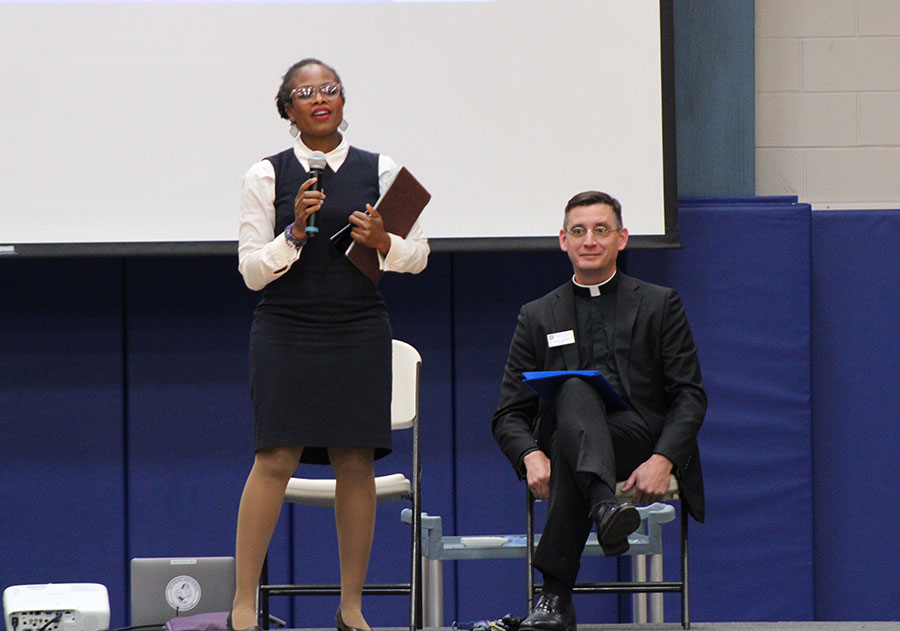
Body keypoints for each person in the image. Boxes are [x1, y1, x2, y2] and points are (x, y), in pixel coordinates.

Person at [231, 58, 429, 631]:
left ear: (344, 101)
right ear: (286, 108)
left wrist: (384, 239)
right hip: (286, 328)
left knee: (355, 459)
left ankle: (350, 608)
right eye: (304, 92)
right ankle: (245, 604)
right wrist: (292, 233)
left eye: (330, 90)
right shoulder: (264, 176)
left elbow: (418, 256)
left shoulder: (382, 170)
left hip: (358, 327)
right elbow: (250, 271)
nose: (319, 99)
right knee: (274, 458)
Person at [492, 191, 706, 631]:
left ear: (621, 239)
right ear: (563, 241)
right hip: (569, 444)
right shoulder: (537, 316)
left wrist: (663, 460)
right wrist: (529, 456)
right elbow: (508, 413)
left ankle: (553, 596)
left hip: (642, 443)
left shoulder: (659, 303)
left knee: (568, 443)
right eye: (578, 231)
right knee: (573, 390)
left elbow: (689, 396)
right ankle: (604, 507)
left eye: (601, 230)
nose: (589, 240)